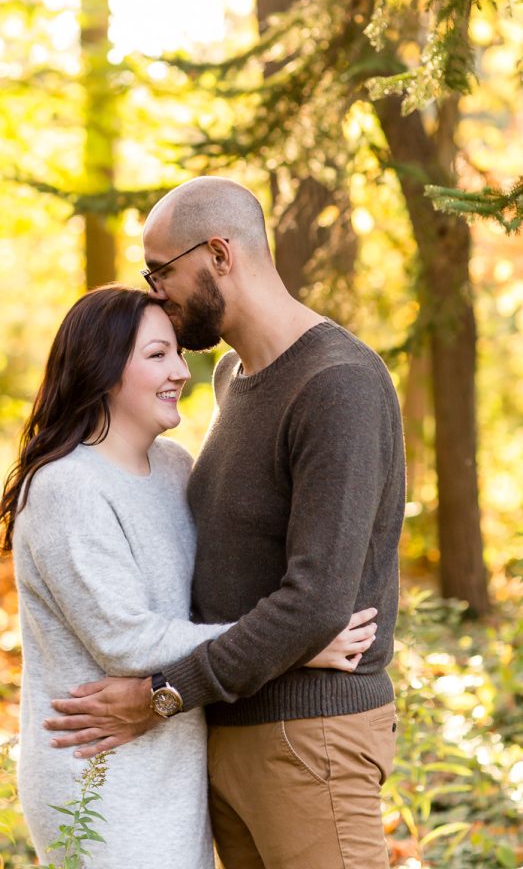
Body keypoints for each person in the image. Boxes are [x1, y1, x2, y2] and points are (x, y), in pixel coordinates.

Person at [44, 178, 406, 869]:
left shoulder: (337, 384)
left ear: (217, 253)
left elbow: (316, 604)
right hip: (226, 736)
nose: (154, 293)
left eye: (161, 271)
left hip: (310, 737)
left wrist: (160, 694)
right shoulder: (232, 378)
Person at [0, 285, 376, 869]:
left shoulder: (175, 469)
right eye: (156, 356)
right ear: (101, 370)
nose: (180, 372)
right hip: (98, 766)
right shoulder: (65, 489)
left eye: (178, 353)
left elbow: (200, 604)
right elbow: (127, 641)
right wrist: (295, 646)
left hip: (174, 751)